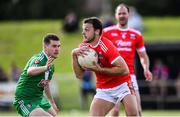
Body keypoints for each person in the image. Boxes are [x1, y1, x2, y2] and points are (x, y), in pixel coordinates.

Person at [71, 17, 138, 116]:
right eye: (83, 29)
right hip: (104, 89)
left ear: (97, 31)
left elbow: (124, 70)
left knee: (133, 114)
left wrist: (100, 70)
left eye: (87, 29)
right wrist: (73, 55)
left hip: (123, 85)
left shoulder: (106, 45)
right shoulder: (83, 48)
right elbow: (79, 75)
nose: (83, 32)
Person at [102, 3, 153, 116]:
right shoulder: (106, 32)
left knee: (137, 110)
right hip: (113, 75)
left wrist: (146, 68)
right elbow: (99, 51)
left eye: (124, 13)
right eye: (119, 13)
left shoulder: (136, 34)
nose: (122, 15)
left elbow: (143, 56)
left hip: (130, 75)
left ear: (128, 15)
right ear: (115, 15)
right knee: (114, 111)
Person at [13, 33, 60, 116]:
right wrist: (45, 68)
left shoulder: (50, 66)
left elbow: (46, 84)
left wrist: (51, 101)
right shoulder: (39, 59)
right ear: (45, 47)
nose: (57, 49)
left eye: (58, 46)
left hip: (39, 98)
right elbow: (30, 71)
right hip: (25, 99)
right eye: (54, 46)